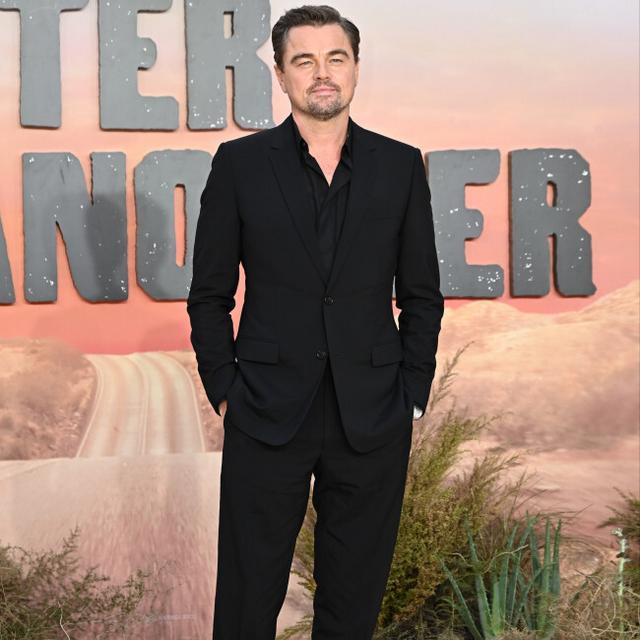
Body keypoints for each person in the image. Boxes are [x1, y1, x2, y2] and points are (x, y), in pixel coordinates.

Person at [187, 5, 444, 638]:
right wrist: (226, 390)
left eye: (336, 58)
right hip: (265, 407)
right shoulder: (240, 164)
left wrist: (412, 393)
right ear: (281, 74)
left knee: (353, 604)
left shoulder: (400, 165)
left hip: (373, 411)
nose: (322, 72)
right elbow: (209, 295)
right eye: (304, 60)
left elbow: (421, 293)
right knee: (247, 599)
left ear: (355, 68)